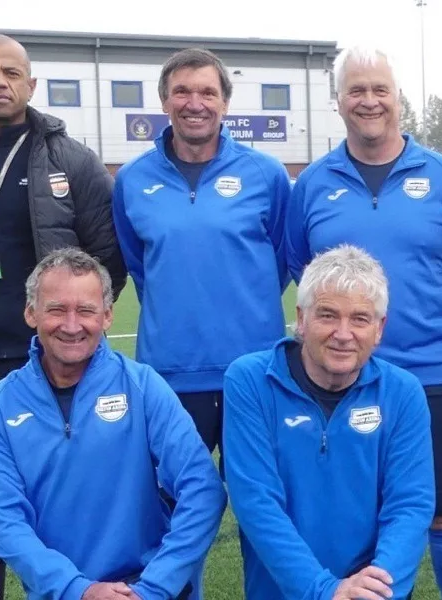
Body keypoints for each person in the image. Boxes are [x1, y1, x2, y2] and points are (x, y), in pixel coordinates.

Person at [284, 46, 442, 600]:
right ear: (338, 101)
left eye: (381, 89)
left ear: (399, 98)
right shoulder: (312, 184)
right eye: (357, 90)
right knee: (359, 516)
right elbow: (301, 269)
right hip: (340, 379)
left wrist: (432, 323)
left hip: (427, 373)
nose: (370, 100)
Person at [0, 33, 126, 600]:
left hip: (47, 368)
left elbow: (106, 259)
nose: (0, 81)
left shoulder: (71, 159)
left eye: (12, 73)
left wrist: (69, 332)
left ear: (32, 85)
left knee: (63, 504)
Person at [0, 247, 225, 600]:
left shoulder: (143, 386)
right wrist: (78, 589)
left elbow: (202, 489)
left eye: (86, 311)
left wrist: (153, 588)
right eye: (57, 309)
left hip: (146, 587)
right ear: (31, 312)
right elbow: (3, 520)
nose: (72, 325)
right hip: (63, 592)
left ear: (107, 315)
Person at [223, 244, 435, 600]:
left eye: (360, 319)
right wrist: (323, 590)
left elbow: (410, 505)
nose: (343, 333)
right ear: (301, 319)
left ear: (380, 328)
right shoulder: (249, 381)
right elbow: (257, 502)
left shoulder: (403, 392)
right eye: (327, 315)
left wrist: (374, 590)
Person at [112, 47, 291, 464]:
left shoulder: (266, 174)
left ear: (225, 103)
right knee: (171, 507)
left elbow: (282, 261)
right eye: (182, 92)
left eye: (208, 93)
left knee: (261, 506)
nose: (195, 104)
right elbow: (140, 266)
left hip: (254, 372)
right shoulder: (132, 180)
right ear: (164, 101)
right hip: (168, 374)